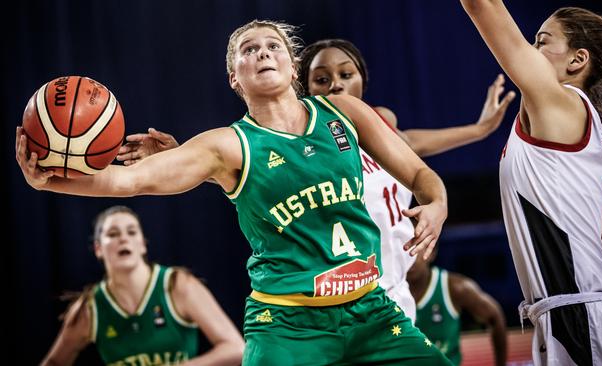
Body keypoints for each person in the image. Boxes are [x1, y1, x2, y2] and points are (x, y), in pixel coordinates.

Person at [17, 20, 452, 365]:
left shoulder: (343, 112)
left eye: (273, 45)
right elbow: (129, 180)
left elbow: (418, 173)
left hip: (371, 311)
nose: (262, 51)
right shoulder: (226, 145)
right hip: (288, 323)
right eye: (249, 49)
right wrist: (49, 180)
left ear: (293, 67)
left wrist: (437, 203)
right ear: (234, 78)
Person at [117, 38, 515, 323]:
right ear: (303, 85)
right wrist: (180, 154)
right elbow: (251, 175)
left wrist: (479, 130)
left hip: (390, 295)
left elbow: (417, 151)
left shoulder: (382, 130)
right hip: (330, 298)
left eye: (346, 74)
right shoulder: (305, 144)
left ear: (362, 79)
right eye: (322, 80)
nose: (336, 84)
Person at [460, 2, 602, 364]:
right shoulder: (584, 128)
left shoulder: (558, 102)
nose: (530, 51)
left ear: (577, 60)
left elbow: (482, 6)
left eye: (541, 42)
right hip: (591, 317)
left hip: (584, 320)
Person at [40, 205, 244, 366]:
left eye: (131, 232)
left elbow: (236, 348)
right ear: (98, 248)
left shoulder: (176, 285)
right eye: (113, 234)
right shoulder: (90, 308)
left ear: (143, 244)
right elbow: (54, 361)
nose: (123, 239)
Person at [407, 246, 507, 366]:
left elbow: (495, 316)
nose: (410, 256)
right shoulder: (384, 290)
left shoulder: (454, 287)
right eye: (403, 248)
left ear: (432, 252)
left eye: (415, 249)